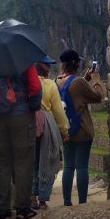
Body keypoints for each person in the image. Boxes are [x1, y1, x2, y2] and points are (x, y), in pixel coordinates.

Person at [0, 64, 42, 219]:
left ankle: (2, 208)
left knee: (2, 163)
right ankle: (22, 208)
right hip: (21, 116)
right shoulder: (23, 59)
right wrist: (33, 106)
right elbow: (35, 87)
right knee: (23, 161)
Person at [56, 49, 106, 206]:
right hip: (82, 131)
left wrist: (85, 78)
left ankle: (66, 202)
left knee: (69, 166)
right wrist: (96, 78)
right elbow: (99, 96)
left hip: (66, 131)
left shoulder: (56, 81)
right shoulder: (79, 83)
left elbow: (72, 92)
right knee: (82, 166)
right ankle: (83, 203)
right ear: (75, 64)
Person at [32, 56, 69, 210]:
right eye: (48, 65)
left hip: (28, 122)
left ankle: (30, 197)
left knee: (30, 162)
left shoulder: (25, 83)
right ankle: (42, 199)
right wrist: (64, 129)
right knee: (47, 161)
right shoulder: (49, 85)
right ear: (45, 68)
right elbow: (58, 111)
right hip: (46, 122)